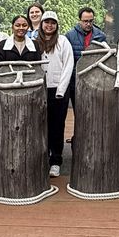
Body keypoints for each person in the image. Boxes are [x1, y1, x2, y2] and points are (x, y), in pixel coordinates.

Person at [36, 11, 74, 177]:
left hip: (58, 90)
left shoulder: (63, 41)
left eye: (52, 23)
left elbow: (68, 65)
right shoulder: (34, 42)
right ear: (41, 24)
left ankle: (56, 160)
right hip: (39, 90)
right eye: (46, 22)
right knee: (40, 126)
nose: (49, 26)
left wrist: (61, 90)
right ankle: (42, 157)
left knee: (57, 126)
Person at [64, 7, 106, 110]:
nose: (88, 24)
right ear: (79, 21)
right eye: (85, 21)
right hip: (76, 80)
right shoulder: (70, 36)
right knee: (78, 112)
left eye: (91, 21)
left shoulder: (100, 36)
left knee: (94, 112)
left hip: (95, 81)